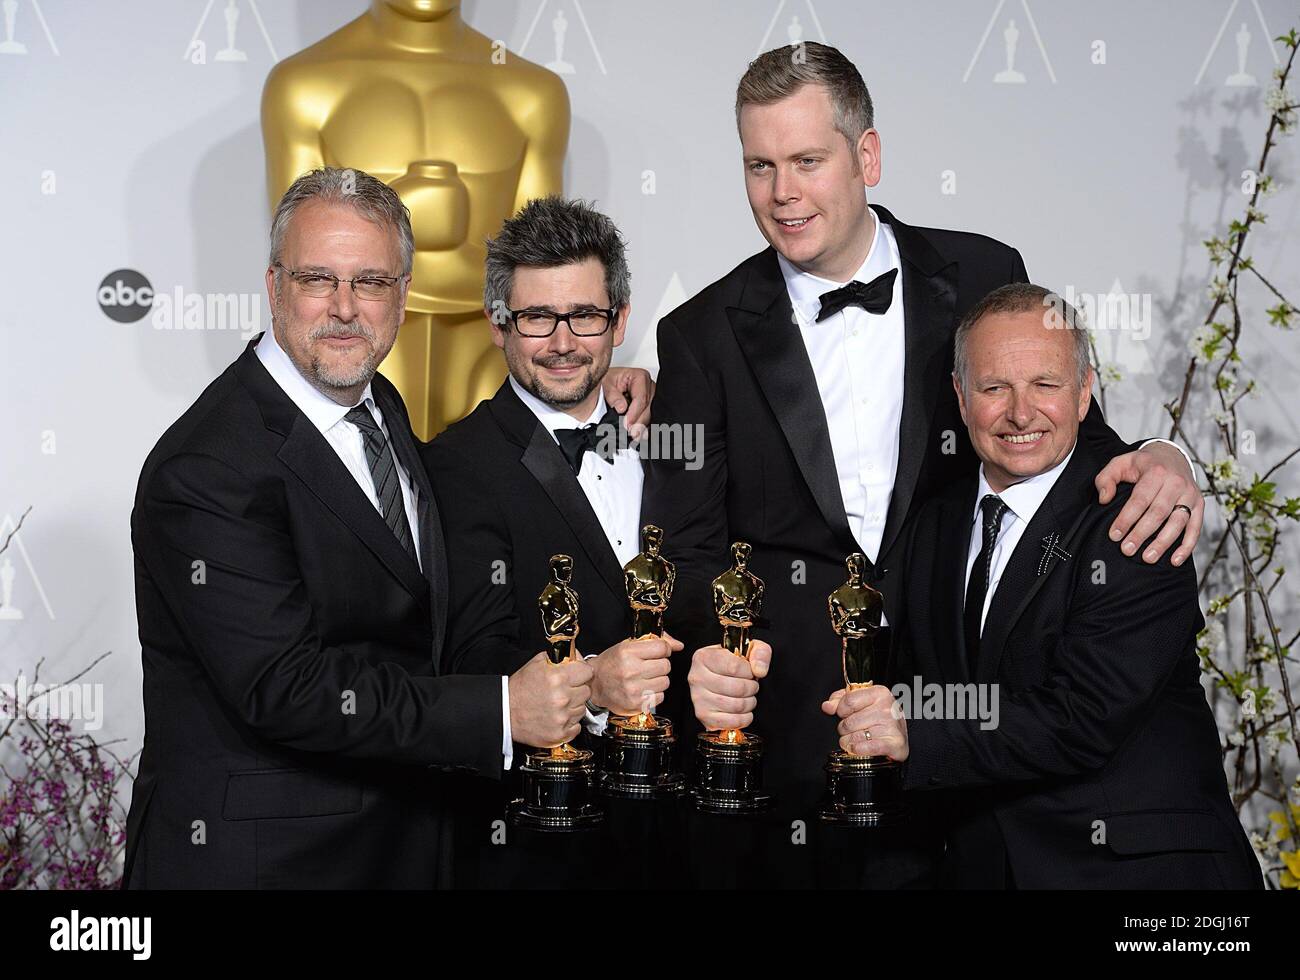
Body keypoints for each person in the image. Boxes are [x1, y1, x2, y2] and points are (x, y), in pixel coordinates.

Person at [645, 42, 1203, 887]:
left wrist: (1163, 453)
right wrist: (718, 650)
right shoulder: (699, 332)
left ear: (866, 156)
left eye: (807, 160)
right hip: (798, 733)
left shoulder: (983, 270)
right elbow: (684, 553)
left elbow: (1056, 431)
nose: (783, 193)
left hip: (972, 724)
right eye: (760, 166)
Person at [123, 168, 624, 888]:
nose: (345, 308)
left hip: (404, 845)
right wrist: (499, 709)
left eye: (372, 282)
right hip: (264, 866)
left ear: (403, 294)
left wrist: (610, 400)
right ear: (273, 286)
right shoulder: (206, 465)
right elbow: (286, 687)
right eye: (317, 279)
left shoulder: (378, 402)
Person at [827, 283, 1262, 889]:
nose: (1021, 413)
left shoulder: (1139, 514)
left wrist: (913, 732)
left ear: (1085, 392)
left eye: (1045, 385)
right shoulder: (932, 526)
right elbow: (919, 681)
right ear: (960, 395)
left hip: (1141, 880)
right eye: (994, 388)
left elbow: (1083, 716)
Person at [424, 196, 699, 887]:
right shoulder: (458, 464)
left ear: (621, 319)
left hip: (694, 831)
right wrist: (596, 686)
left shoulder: (677, 434)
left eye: (585, 315)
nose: (564, 342)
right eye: (537, 318)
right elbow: (471, 656)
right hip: (547, 843)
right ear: (498, 325)